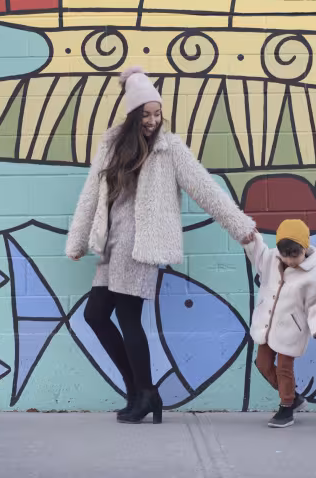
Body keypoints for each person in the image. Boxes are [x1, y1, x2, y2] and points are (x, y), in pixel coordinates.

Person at [66, 66, 256, 424]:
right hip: (112, 242)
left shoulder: (170, 150)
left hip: (141, 245)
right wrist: (78, 240)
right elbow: (92, 193)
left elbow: (205, 189)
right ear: (133, 114)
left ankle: (145, 392)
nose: (153, 121)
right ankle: (140, 389)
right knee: (95, 315)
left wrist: (240, 227)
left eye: (157, 114)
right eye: (146, 115)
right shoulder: (111, 145)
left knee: (127, 317)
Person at [243, 219, 316, 428]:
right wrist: (251, 240)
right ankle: (294, 397)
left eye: (295, 255)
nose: (291, 261)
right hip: (267, 325)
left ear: (304, 248)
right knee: (262, 364)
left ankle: (286, 407)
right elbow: (258, 254)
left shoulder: (314, 274)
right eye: (285, 255)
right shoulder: (271, 260)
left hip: (292, 329)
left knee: (284, 367)